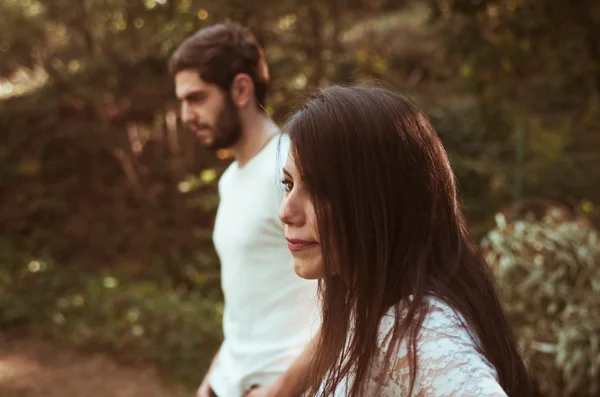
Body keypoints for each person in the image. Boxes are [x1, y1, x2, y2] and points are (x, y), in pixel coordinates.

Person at [272, 86, 533, 396]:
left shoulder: (414, 328)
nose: (285, 212)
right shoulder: (369, 303)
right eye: (288, 184)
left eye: (320, 188)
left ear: (382, 200)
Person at [169, 23, 319, 397]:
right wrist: (210, 382)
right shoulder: (231, 181)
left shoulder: (290, 168)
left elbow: (349, 303)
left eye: (197, 98)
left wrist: (280, 390)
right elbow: (246, 309)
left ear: (240, 89)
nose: (186, 115)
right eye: (182, 101)